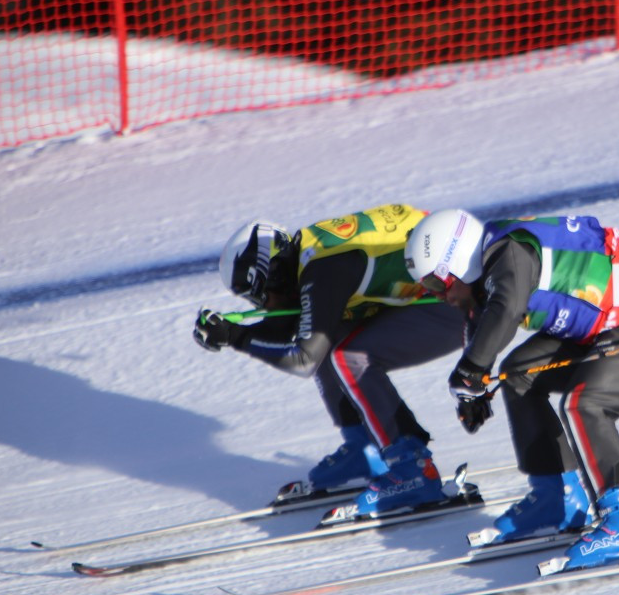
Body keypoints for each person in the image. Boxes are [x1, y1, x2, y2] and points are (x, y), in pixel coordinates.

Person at [404, 209, 619, 571]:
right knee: (518, 374)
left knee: (583, 405)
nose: (440, 297)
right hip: (603, 328)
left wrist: (472, 370)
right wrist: (472, 385)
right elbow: (483, 321)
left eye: (436, 285)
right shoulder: (491, 262)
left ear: (458, 263)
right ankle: (558, 497)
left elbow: (506, 309)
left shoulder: (508, 255)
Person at [193, 204, 465, 516]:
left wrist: (236, 337)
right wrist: (235, 332)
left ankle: (412, 467)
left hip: (458, 299)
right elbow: (298, 325)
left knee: (349, 357)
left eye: (259, 294)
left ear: (274, 272)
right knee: (331, 337)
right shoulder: (313, 255)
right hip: (446, 289)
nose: (263, 305)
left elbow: (302, 359)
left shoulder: (325, 270)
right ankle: (366, 445)